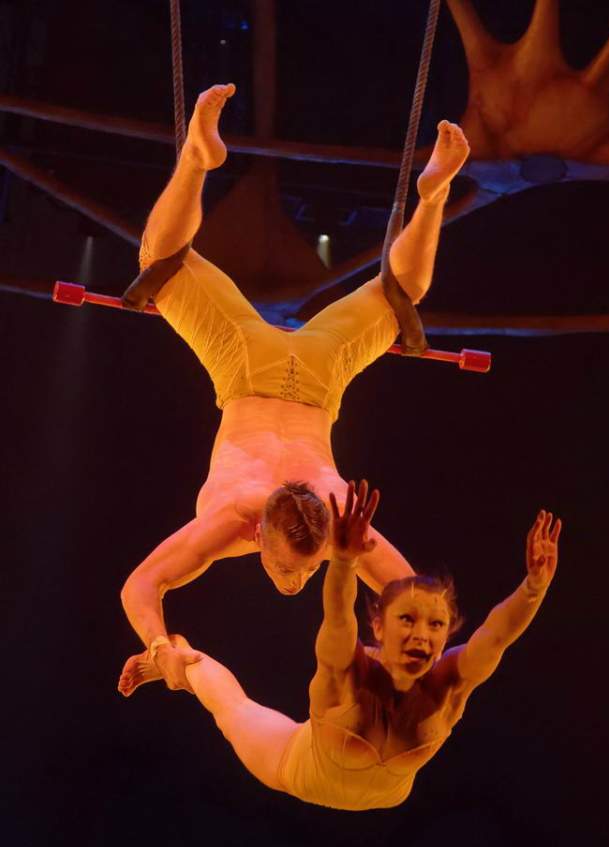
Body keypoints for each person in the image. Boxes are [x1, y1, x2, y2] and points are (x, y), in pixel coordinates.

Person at [119, 84, 471, 695]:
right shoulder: (247, 520)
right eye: (302, 570)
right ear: (262, 533)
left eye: (300, 570)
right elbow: (408, 594)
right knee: (160, 257)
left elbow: (409, 594)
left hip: (290, 369)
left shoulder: (313, 522)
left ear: (263, 534)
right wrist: (404, 660)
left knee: (401, 295)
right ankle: (430, 194)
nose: (298, 579)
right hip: (273, 370)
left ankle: (430, 196)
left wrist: (161, 649)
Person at [120, 481, 561, 812]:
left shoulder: (450, 683)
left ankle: (179, 661)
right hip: (298, 768)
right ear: (378, 628)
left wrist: (534, 588)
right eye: (407, 621)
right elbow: (337, 614)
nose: (422, 636)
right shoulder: (347, 673)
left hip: (389, 795)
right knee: (231, 708)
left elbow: (497, 635)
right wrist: (345, 560)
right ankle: (181, 658)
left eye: (436, 626)